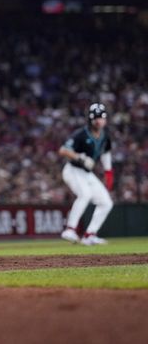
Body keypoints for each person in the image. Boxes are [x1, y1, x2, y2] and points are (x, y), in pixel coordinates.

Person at [58, 103, 114, 246]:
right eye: (96, 118)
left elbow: (106, 154)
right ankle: (70, 229)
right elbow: (63, 150)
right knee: (85, 194)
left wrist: (108, 172)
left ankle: (90, 235)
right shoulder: (81, 134)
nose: (99, 121)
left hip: (86, 174)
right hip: (72, 170)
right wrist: (80, 157)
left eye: (101, 117)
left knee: (106, 203)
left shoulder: (105, 137)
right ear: (90, 119)